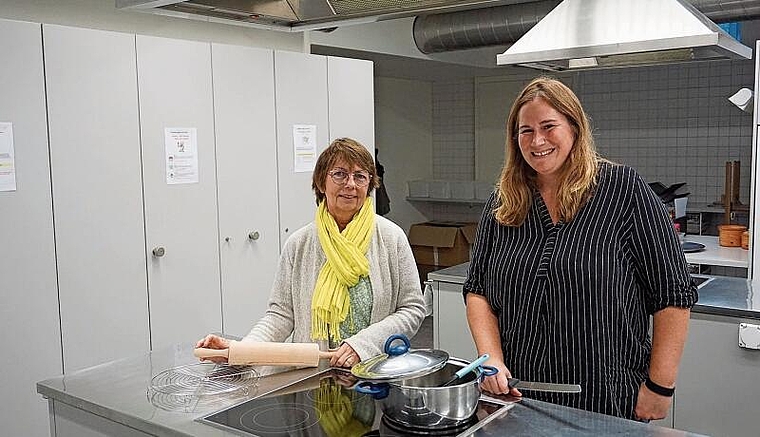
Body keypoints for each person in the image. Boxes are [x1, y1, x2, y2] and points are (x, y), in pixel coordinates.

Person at [463, 77, 697, 421]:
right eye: (525, 131)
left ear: (574, 127)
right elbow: (478, 289)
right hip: (517, 396)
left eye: (548, 127)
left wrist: (660, 387)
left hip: (606, 398)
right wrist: (492, 358)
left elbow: (672, 294)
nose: (537, 141)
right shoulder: (505, 200)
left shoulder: (622, 190)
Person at [198, 137, 425, 368]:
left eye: (360, 176)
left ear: (369, 185)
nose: (350, 184)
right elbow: (281, 316)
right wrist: (240, 351)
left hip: (375, 371)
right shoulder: (299, 244)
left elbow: (413, 309)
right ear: (321, 182)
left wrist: (363, 344)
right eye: (339, 174)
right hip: (315, 376)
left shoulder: (391, 238)